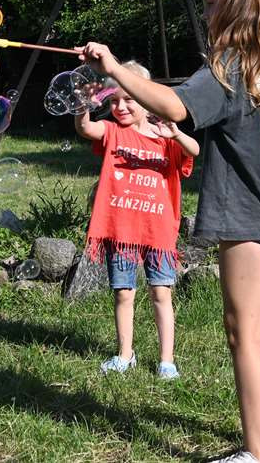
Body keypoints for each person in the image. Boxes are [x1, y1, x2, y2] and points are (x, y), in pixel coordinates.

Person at [80, 0, 260, 463]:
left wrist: (111, 68)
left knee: (242, 331)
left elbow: (176, 107)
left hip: (251, 217)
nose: (206, 5)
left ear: (235, 0)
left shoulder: (230, 64)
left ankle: (259, 455)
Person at [74, 60, 198, 379]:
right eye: (114, 101)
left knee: (161, 293)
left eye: (129, 99)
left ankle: (166, 360)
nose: (120, 107)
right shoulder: (113, 132)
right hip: (122, 230)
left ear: (146, 98)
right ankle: (124, 354)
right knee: (123, 293)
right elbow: (86, 128)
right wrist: (83, 105)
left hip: (158, 231)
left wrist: (176, 133)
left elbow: (194, 150)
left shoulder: (165, 136)